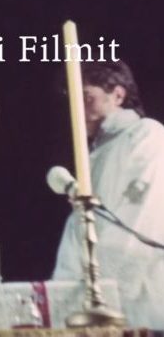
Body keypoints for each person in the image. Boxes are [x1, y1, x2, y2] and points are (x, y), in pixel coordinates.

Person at [53, 60, 164, 328]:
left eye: (86, 97)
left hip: (137, 299)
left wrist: (103, 290)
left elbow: (140, 216)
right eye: (73, 100)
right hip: (95, 295)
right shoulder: (96, 152)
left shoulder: (146, 134)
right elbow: (81, 226)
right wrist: (67, 287)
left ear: (118, 95)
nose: (78, 109)